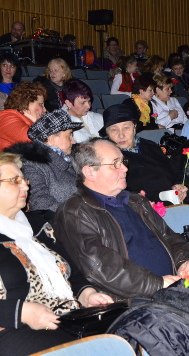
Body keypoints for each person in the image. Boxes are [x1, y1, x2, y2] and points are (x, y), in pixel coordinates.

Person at [54, 138, 189, 298]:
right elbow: (101, 267)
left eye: (123, 162)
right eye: (115, 164)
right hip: (132, 302)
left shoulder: (136, 201)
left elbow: (170, 238)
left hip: (171, 289)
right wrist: (158, 284)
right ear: (90, 172)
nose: (125, 168)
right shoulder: (75, 211)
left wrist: (184, 262)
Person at [0, 152, 113, 356]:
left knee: (130, 329)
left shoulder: (37, 224)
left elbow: (72, 273)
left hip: (68, 318)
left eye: (24, 179)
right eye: (14, 181)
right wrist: (22, 312)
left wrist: (87, 294)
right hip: (14, 328)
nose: (26, 186)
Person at [101, 104, 187, 204]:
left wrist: (179, 185)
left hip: (174, 201)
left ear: (134, 127)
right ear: (107, 133)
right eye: (114, 129)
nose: (121, 135)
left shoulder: (150, 145)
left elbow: (173, 170)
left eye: (126, 128)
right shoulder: (107, 157)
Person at [6, 110, 82, 215]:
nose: (73, 141)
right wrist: (76, 214)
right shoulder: (32, 165)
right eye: (69, 136)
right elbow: (40, 201)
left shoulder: (72, 157)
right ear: (52, 139)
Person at [0, 82, 47, 150]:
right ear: (26, 103)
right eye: (40, 104)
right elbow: (33, 140)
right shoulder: (7, 117)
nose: (44, 110)